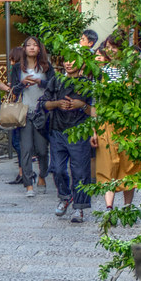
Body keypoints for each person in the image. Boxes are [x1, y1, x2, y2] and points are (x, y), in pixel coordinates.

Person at [43, 57, 97, 223]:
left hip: (80, 131)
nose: (69, 63)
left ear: (81, 63)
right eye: (66, 60)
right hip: (57, 130)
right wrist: (57, 103)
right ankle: (65, 197)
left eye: (73, 60)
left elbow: (94, 111)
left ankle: (80, 208)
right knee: (57, 168)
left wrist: (81, 105)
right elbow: (44, 104)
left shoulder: (87, 85)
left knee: (80, 171)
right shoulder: (56, 80)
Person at [93, 33, 141, 210]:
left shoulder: (132, 71)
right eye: (108, 47)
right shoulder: (100, 71)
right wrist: (94, 130)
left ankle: (128, 206)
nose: (111, 51)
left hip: (129, 123)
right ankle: (109, 207)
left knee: (129, 164)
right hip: (106, 122)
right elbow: (95, 101)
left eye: (115, 47)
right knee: (108, 164)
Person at [10, 37, 55, 198]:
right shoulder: (17, 68)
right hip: (25, 112)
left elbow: (53, 86)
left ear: (39, 48)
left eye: (34, 45)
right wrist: (23, 83)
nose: (31, 48)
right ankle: (28, 184)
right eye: (28, 45)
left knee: (42, 150)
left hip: (42, 112)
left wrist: (39, 83)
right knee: (26, 149)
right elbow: (13, 90)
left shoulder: (46, 67)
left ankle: (42, 175)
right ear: (24, 48)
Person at [4, 46, 27, 186]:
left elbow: (13, 91)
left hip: (18, 109)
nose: (11, 62)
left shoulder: (16, 69)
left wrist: (7, 88)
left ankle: (23, 172)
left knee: (17, 141)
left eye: (12, 59)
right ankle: (24, 171)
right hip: (28, 107)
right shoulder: (27, 69)